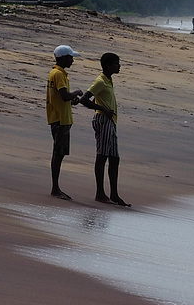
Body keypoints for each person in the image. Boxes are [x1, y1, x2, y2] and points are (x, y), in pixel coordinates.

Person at [80, 53, 131, 206]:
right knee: (102, 156)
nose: (119, 66)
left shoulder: (109, 80)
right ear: (108, 65)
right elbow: (84, 99)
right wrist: (103, 109)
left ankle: (114, 194)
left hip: (111, 122)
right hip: (102, 120)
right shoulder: (100, 81)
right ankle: (100, 193)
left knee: (115, 158)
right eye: (116, 63)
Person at [47, 45, 84, 200]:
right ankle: (55, 188)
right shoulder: (59, 74)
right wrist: (76, 92)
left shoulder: (56, 73)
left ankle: (56, 187)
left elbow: (62, 97)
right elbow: (64, 95)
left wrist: (72, 100)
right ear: (63, 58)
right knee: (58, 153)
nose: (73, 60)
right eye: (71, 57)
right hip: (60, 119)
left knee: (59, 153)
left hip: (60, 117)